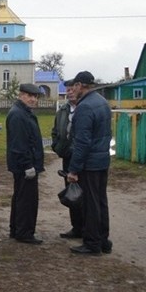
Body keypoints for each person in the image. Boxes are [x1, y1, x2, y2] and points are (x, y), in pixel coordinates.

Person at [65, 71, 113, 255]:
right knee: (101, 201)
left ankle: (92, 243)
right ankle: (103, 240)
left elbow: (82, 142)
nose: (73, 90)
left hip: (90, 163)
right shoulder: (102, 102)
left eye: (74, 86)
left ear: (80, 85)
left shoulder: (84, 107)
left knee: (90, 204)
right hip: (102, 160)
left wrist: (74, 169)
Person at [6, 83, 45, 244]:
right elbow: (19, 144)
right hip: (24, 166)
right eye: (29, 96)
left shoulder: (23, 113)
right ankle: (24, 232)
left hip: (24, 164)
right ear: (21, 95)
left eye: (35, 97)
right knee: (27, 200)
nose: (33, 99)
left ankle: (17, 229)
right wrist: (28, 165)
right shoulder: (18, 115)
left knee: (21, 197)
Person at [52, 81, 84, 239]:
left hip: (83, 159)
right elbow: (56, 131)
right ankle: (76, 227)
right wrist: (57, 147)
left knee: (84, 193)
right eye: (67, 90)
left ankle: (87, 228)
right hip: (67, 158)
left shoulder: (85, 108)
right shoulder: (62, 111)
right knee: (71, 194)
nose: (70, 92)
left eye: (72, 89)